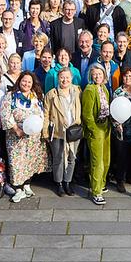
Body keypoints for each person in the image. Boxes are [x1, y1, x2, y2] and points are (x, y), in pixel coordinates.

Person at [1, 71, 49, 202]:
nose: (26, 84)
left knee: (29, 161)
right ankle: (18, 188)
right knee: (16, 162)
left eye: (29, 82)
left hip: (33, 137)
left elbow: (42, 114)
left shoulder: (37, 97)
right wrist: (16, 129)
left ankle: (27, 184)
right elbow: (5, 114)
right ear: (19, 81)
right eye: (24, 81)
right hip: (16, 136)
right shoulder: (10, 96)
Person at [45, 67, 82, 197]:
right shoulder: (51, 94)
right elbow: (46, 114)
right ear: (58, 78)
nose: (64, 80)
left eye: (67, 77)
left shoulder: (77, 91)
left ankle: (68, 182)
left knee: (72, 157)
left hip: (73, 131)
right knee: (58, 158)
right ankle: (59, 183)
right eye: (62, 77)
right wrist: (45, 133)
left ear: (71, 78)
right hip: (58, 132)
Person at [80, 65, 112, 205]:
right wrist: (93, 130)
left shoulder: (104, 88)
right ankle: (96, 191)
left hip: (106, 126)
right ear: (91, 76)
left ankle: (102, 184)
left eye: (100, 74)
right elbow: (87, 114)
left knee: (106, 159)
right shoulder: (89, 89)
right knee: (97, 161)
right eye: (95, 74)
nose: (97, 76)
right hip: (96, 128)